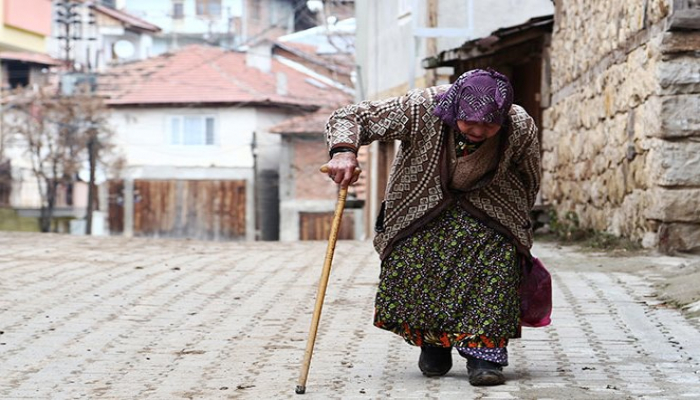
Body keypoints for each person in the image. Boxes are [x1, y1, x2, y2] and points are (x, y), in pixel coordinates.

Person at [323, 69, 541, 386]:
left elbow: (530, 174)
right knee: (418, 266)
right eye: (470, 121)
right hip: (419, 204)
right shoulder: (422, 107)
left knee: (495, 269)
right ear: (455, 109)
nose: (479, 130)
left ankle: (484, 357)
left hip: (492, 206)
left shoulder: (519, 124)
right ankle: (434, 342)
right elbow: (352, 116)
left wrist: (520, 217)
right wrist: (344, 152)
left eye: (489, 124)